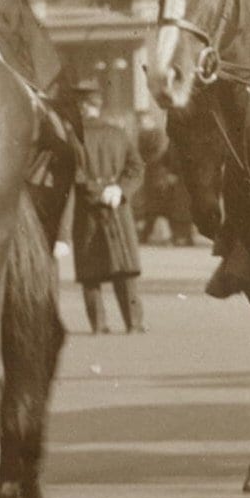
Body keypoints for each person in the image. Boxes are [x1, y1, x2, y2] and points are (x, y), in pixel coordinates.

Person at [67, 77, 146, 334]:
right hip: (117, 208)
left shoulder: (72, 137)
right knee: (125, 270)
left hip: (87, 211)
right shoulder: (118, 133)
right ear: (98, 105)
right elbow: (136, 167)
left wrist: (96, 191)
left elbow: (73, 175)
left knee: (91, 273)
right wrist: (120, 190)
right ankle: (134, 323)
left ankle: (98, 325)